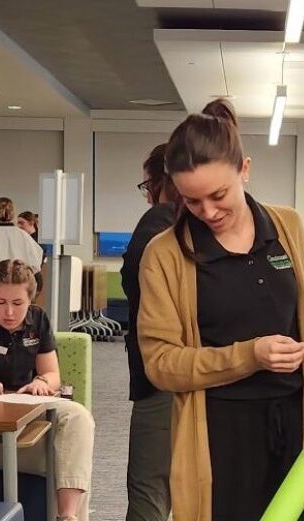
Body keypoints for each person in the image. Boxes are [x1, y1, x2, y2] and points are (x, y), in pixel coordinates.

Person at [137, 99, 304, 521]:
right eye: (192, 202)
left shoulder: (287, 224)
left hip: (292, 420)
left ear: (244, 169)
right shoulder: (164, 254)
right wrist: (248, 356)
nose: (208, 212)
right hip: (219, 433)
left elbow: (298, 306)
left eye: (218, 195)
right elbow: (160, 363)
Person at [0, 259, 95, 521]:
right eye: (0, 302)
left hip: (27, 420)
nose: (8, 312)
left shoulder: (38, 320)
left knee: (78, 419)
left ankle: (67, 517)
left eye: (18, 304)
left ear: (31, 300)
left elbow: (53, 374)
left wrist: (42, 383)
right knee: (72, 461)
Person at [121, 143, 181, 521]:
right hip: (204, 376)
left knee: (149, 489)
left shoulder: (160, 220)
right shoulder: (209, 225)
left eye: (148, 185)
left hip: (161, 379)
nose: (147, 195)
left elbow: (136, 283)